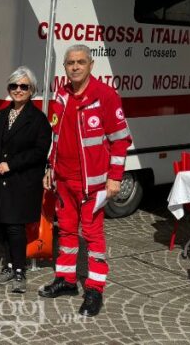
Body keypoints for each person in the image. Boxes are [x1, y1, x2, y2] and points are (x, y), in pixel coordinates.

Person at [38, 44, 132, 316]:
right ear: (65, 68)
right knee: (66, 231)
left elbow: (120, 140)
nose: (75, 67)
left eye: (80, 62)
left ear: (91, 65)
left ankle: (94, 289)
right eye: (70, 63)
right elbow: (55, 137)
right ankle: (66, 280)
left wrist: (115, 178)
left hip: (93, 182)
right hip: (64, 180)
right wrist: (50, 168)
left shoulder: (105, 96)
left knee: (92, 236)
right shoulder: (61, 95)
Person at [0, 67, 52, 294]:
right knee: (2, 226)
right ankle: (9, 266)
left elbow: (40, 151)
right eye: (14, 86)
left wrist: (11, 164)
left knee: (15, 227)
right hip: (1, 180)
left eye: (24, 86)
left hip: (22, 181)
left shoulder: (38, 119)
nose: (18, 90)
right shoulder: (2, 115)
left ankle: (19, 271)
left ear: (32, 90)